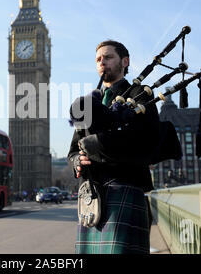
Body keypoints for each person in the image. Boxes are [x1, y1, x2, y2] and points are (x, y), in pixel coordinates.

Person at [68, 40, 160, 254]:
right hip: (91, 196)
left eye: (108, 57)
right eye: (99, 60)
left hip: (124, 187)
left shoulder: (140, 93)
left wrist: (100, 145)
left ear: (124, 62)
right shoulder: (91, 101)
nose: (102, 63)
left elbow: (148, 140)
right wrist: (76, 160)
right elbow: (74, 147)